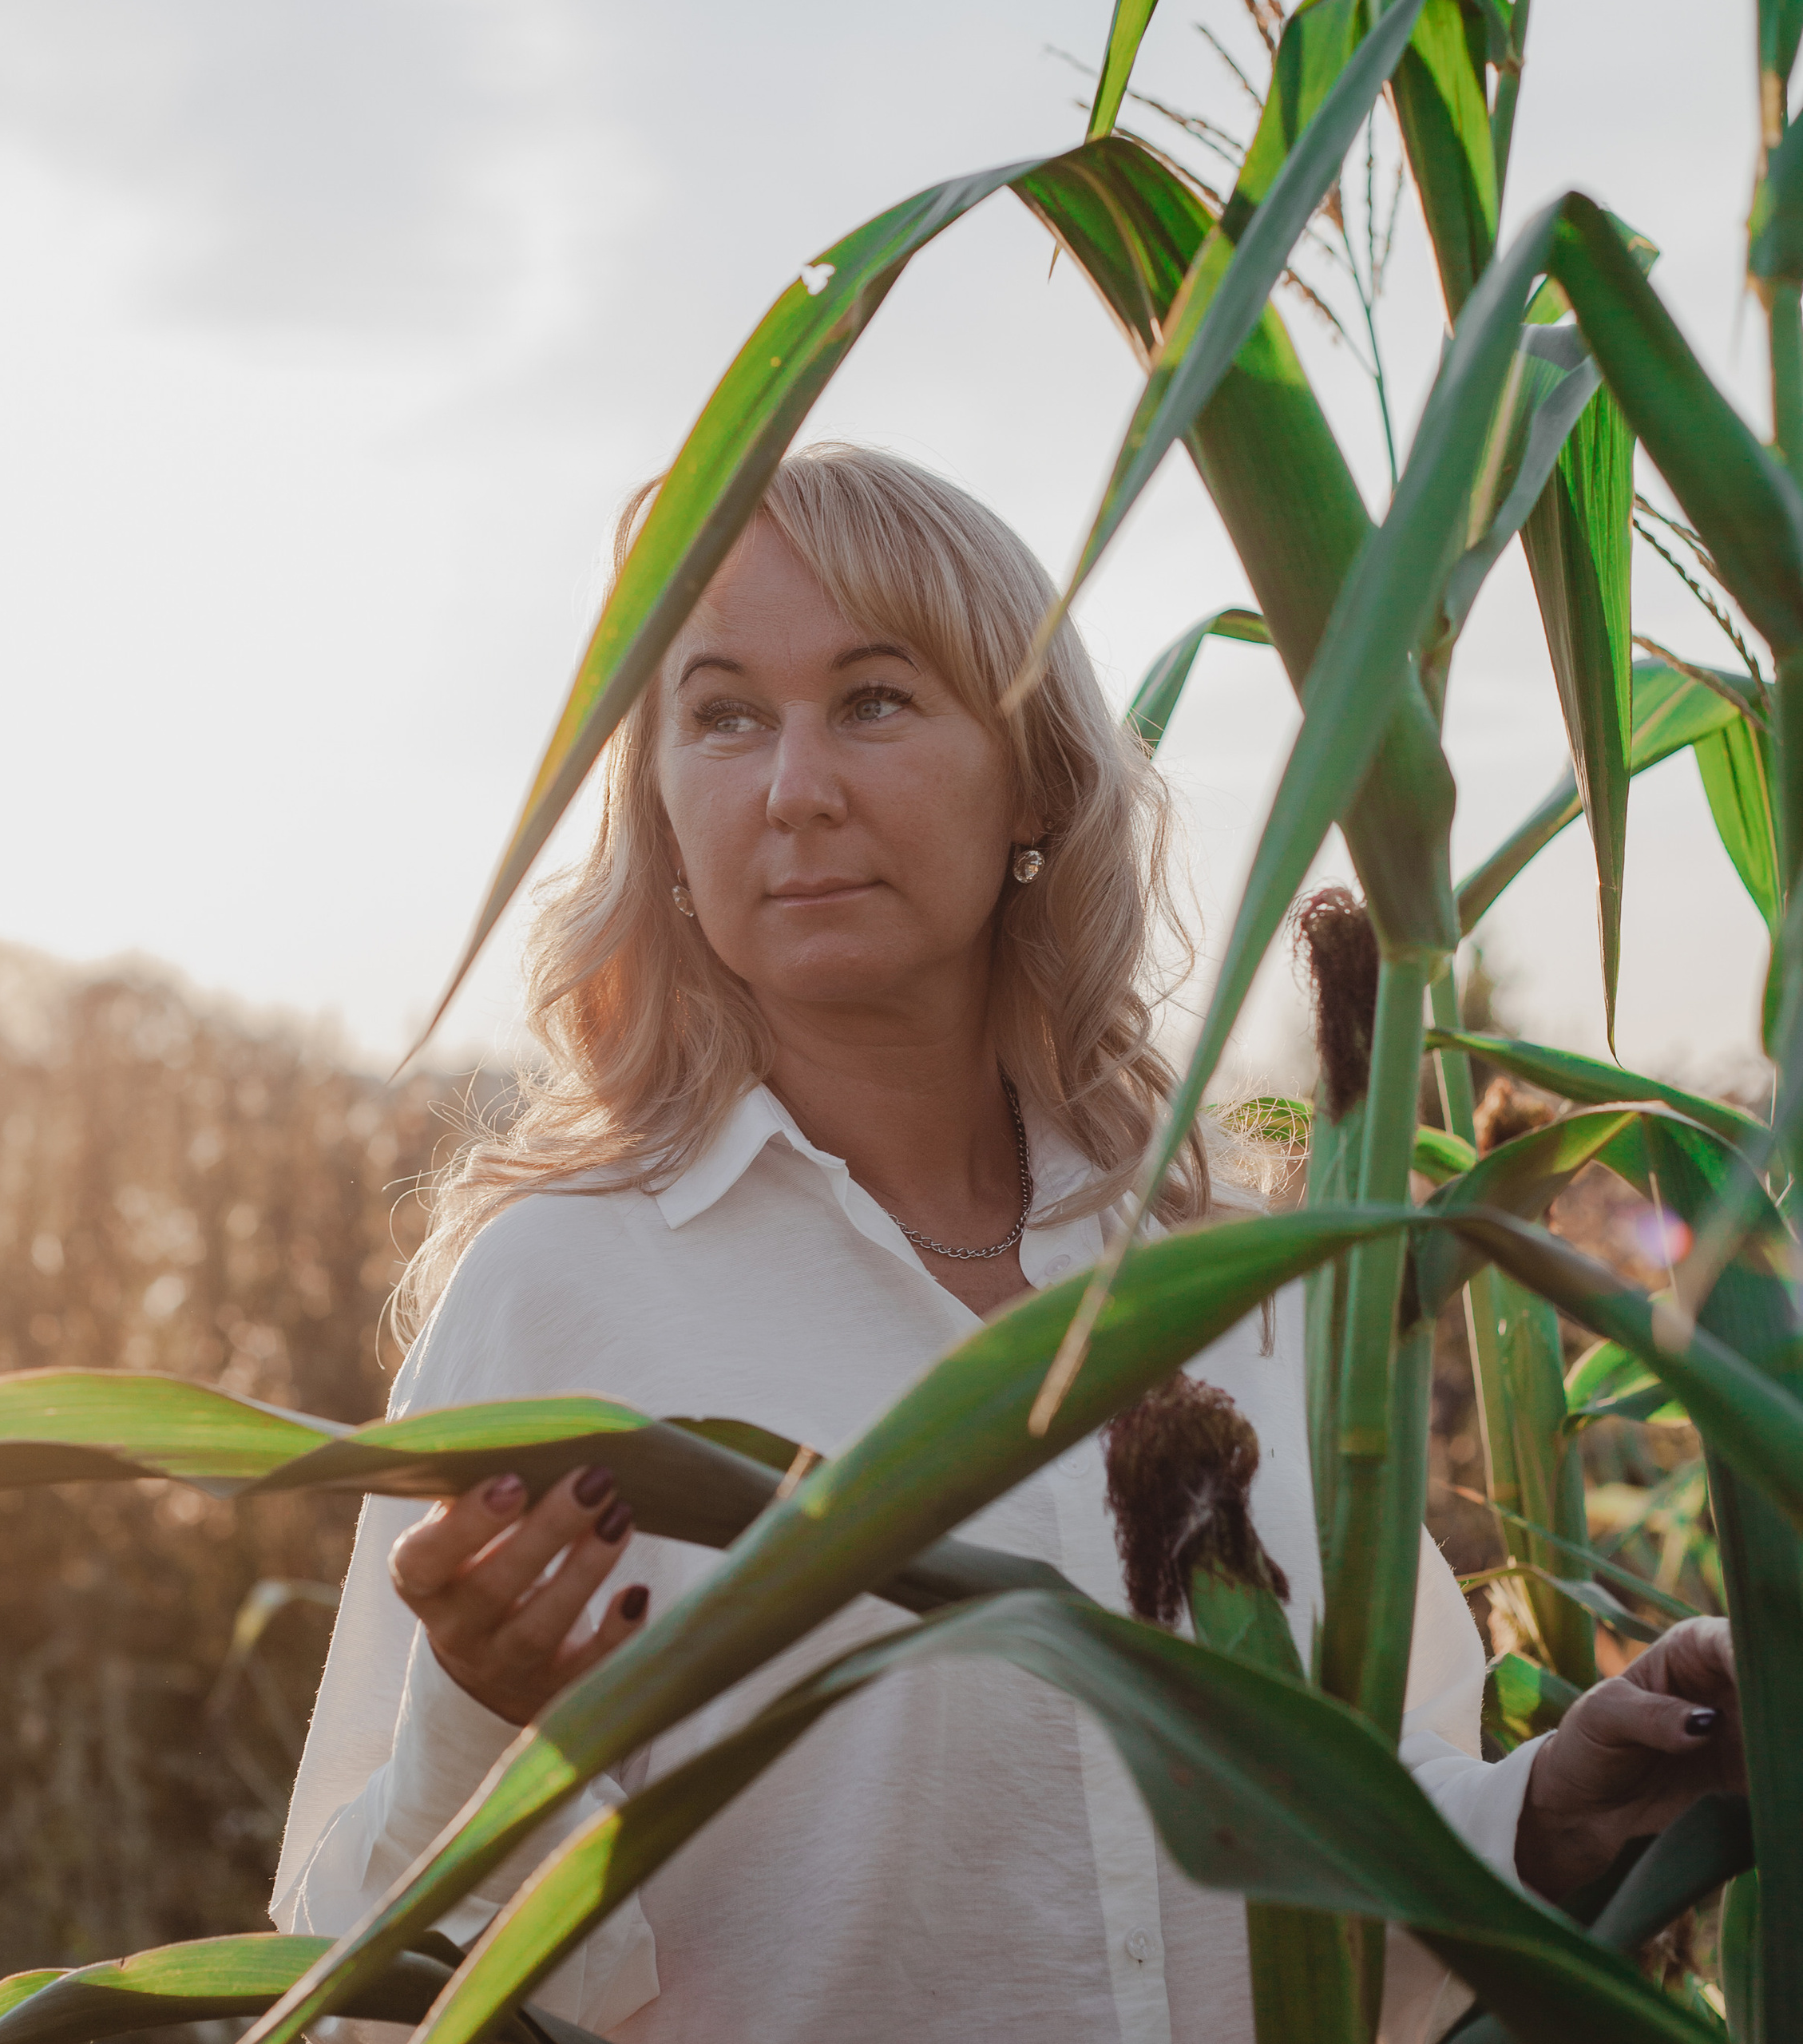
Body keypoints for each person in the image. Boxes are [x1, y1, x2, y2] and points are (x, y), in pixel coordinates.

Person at [272, 445, 1742, 2043]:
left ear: (1033, 779)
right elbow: (349, 1988)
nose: (794, 788)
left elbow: (1355, 1842)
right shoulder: (562, 1292)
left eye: (873, 700)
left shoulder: (1232, 1274)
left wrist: (1555, 1810)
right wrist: (478, 1727)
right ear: (661, 811)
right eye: (723, 716)